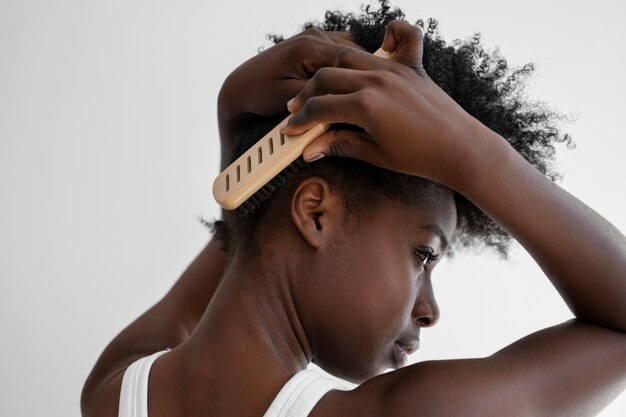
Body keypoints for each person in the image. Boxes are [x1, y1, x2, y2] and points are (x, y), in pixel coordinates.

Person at [81, 2, 626, 416]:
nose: (429, 309)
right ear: (315, 213)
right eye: (424, 254)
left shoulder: (114, 387)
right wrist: (468, 152)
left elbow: (253, 237)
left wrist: (236, 117)